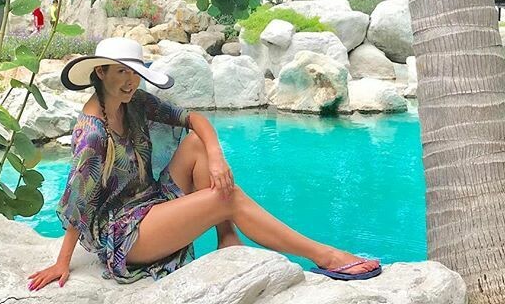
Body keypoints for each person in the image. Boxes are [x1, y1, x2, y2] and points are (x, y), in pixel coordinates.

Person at [27, 37, 381, 290]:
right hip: (125, 234)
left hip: (150, 204)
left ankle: (227, 237)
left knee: (198, 144)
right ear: (101, 73)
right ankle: (324, 255)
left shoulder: (134, 103)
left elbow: (193, 119)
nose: (130, 81)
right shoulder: (92, 134)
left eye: (134, 72)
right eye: (120, 72)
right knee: (226, 197)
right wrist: (62, 262)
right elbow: (79, 203)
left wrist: (216, 157)